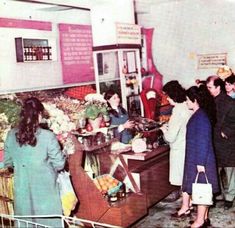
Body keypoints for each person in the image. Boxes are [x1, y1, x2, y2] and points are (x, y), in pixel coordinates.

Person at [4, 97, 66, 227]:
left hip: (23, 191)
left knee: (26, 223)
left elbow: (8, 163)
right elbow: (60, 164)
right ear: (38, 115)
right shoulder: (48, 136)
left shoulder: (10, 135)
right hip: (46, 192)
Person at [181, 86, 219, 228]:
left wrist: (200, 162)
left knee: (201, 190)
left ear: (194, 100)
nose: (186, 102)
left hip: (201, 159)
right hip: (199, 158)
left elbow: (203, 141)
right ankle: (205, 218)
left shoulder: (200, 117)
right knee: (204, 189)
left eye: (187, 100)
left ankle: (200, 221)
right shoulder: (201, 114)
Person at [160, 81, 192, 203]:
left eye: (167, 96)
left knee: (182, 179)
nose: (167, 99)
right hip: (187, 146)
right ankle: (188, 203)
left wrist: (164, 130)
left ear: (173, 95)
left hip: (179, 149)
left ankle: (186, 206)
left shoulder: (177, 111)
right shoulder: (186, 105)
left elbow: (170, 137)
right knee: (187, 177)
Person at [206, 75, 235, 210]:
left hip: (227, 143)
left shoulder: (229, 102)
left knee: (230, 172)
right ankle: (218, 194)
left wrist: (226, 132)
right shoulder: (210, 101)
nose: (208, 90)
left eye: (210, 87)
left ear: (218, 87)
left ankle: (229, 197)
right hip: (214, 141)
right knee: (216, 170)